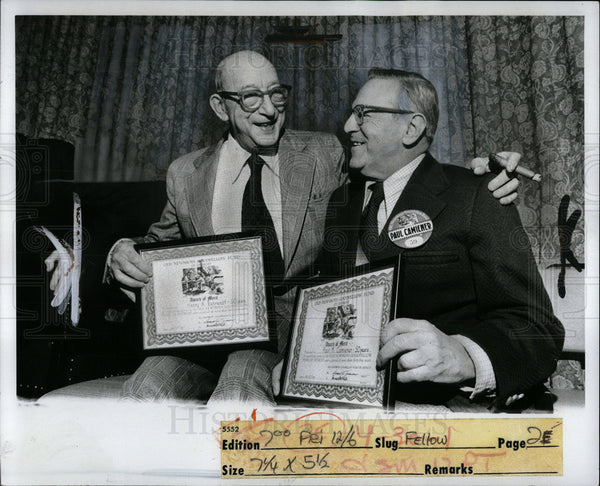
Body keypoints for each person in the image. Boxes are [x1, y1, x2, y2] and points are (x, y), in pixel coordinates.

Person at [50, 51, 519, 404]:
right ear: (220, 106)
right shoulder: (186, 172)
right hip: (200, 335)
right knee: (146, 387)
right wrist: (118, 254)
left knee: (240, 384)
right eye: (251, 97)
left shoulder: (325, 153)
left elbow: (402, 169)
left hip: (287, 337)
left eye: (277, 94)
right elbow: (161, 245)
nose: (269, 109)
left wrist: (482, 174)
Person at [315, 68, 564, 408]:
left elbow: (536, 327)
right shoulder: (340, 202)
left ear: (412, 128)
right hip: (346, 402)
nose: (347, 126)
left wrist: (464, 357)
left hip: (438, 407)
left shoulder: (478, 194)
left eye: (363, 114)